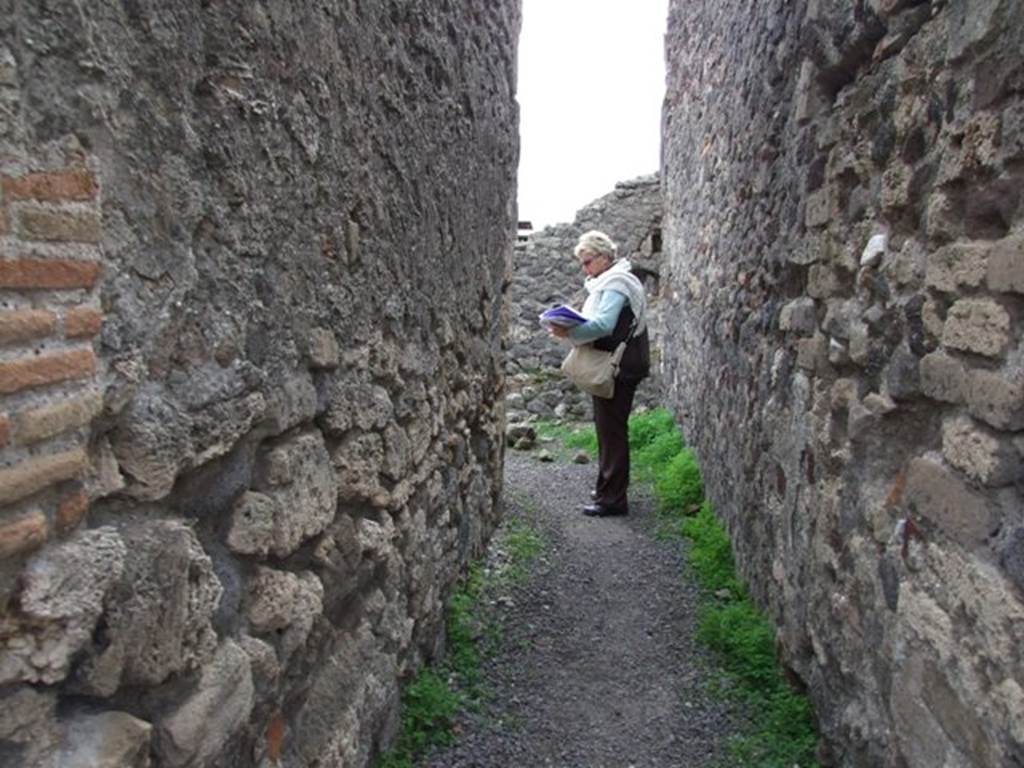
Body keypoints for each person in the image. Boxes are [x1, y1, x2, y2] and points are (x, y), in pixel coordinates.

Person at [548, 230, 650, 517]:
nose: (585, 268)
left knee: (612, 431)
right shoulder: (609, 281)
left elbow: (604, 324)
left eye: (588, 261)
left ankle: (613, 499)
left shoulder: (617, 283)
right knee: (608, 429)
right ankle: (608, 489)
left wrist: (569, 330)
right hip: (618, 363)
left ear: (604, 258)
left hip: (619, 366)